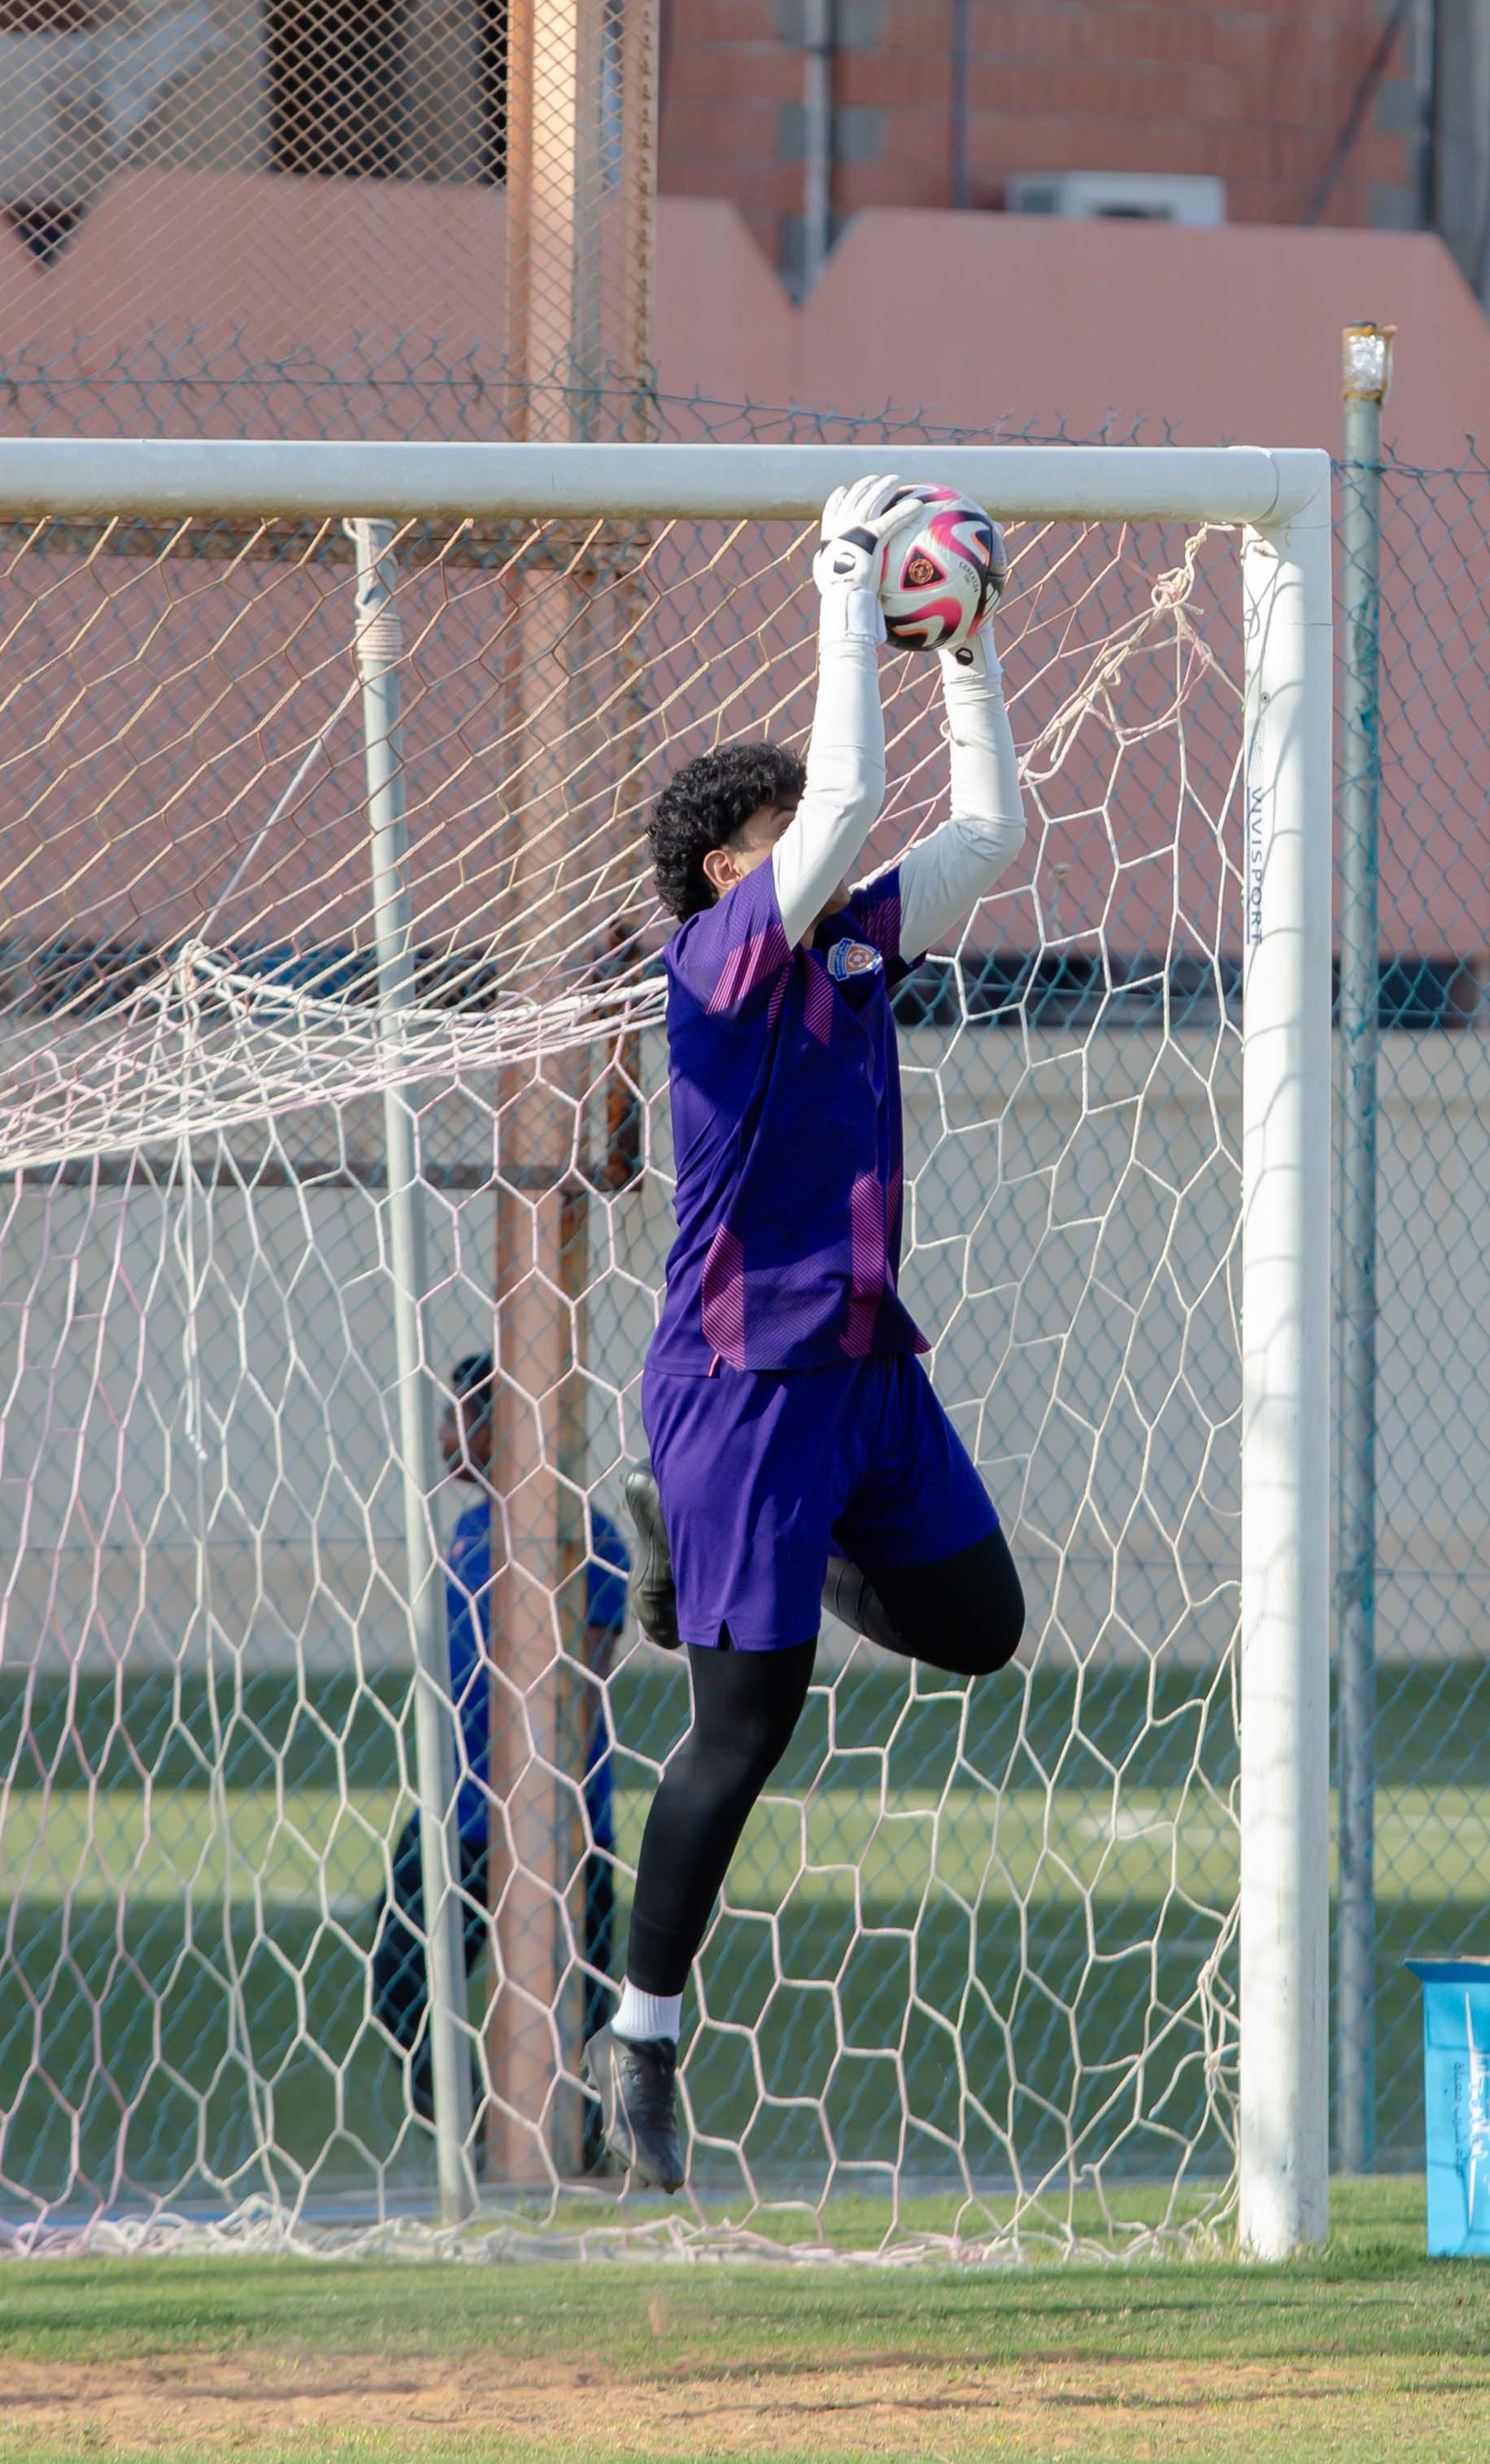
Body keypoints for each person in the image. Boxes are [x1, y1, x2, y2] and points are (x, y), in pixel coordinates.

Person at [593, 477, 1035, 2192]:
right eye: (784, 832)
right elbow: (846, 793)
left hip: (863, 1370)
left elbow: (986, 838)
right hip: (737, 1389)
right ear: (726, 864)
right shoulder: (715, 961)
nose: (825, 844)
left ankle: (699, 1566)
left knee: (983, 1628)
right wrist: (846, 578)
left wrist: (966, 654)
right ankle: (643, 2046)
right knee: (745, 1727)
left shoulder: (847, 938)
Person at [366, 1350, 631, 2131]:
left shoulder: (582, 1537)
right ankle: (478, 2136)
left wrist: (564, 1818)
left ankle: (610, 2142)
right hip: (459, 1818)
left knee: (580, 2010)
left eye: (469, 1414)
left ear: (511, 1423)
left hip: (556, 1823)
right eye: (450, 1412)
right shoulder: (469, 1531)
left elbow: (582, 1688)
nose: (449, 1431)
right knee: (399, 1987)